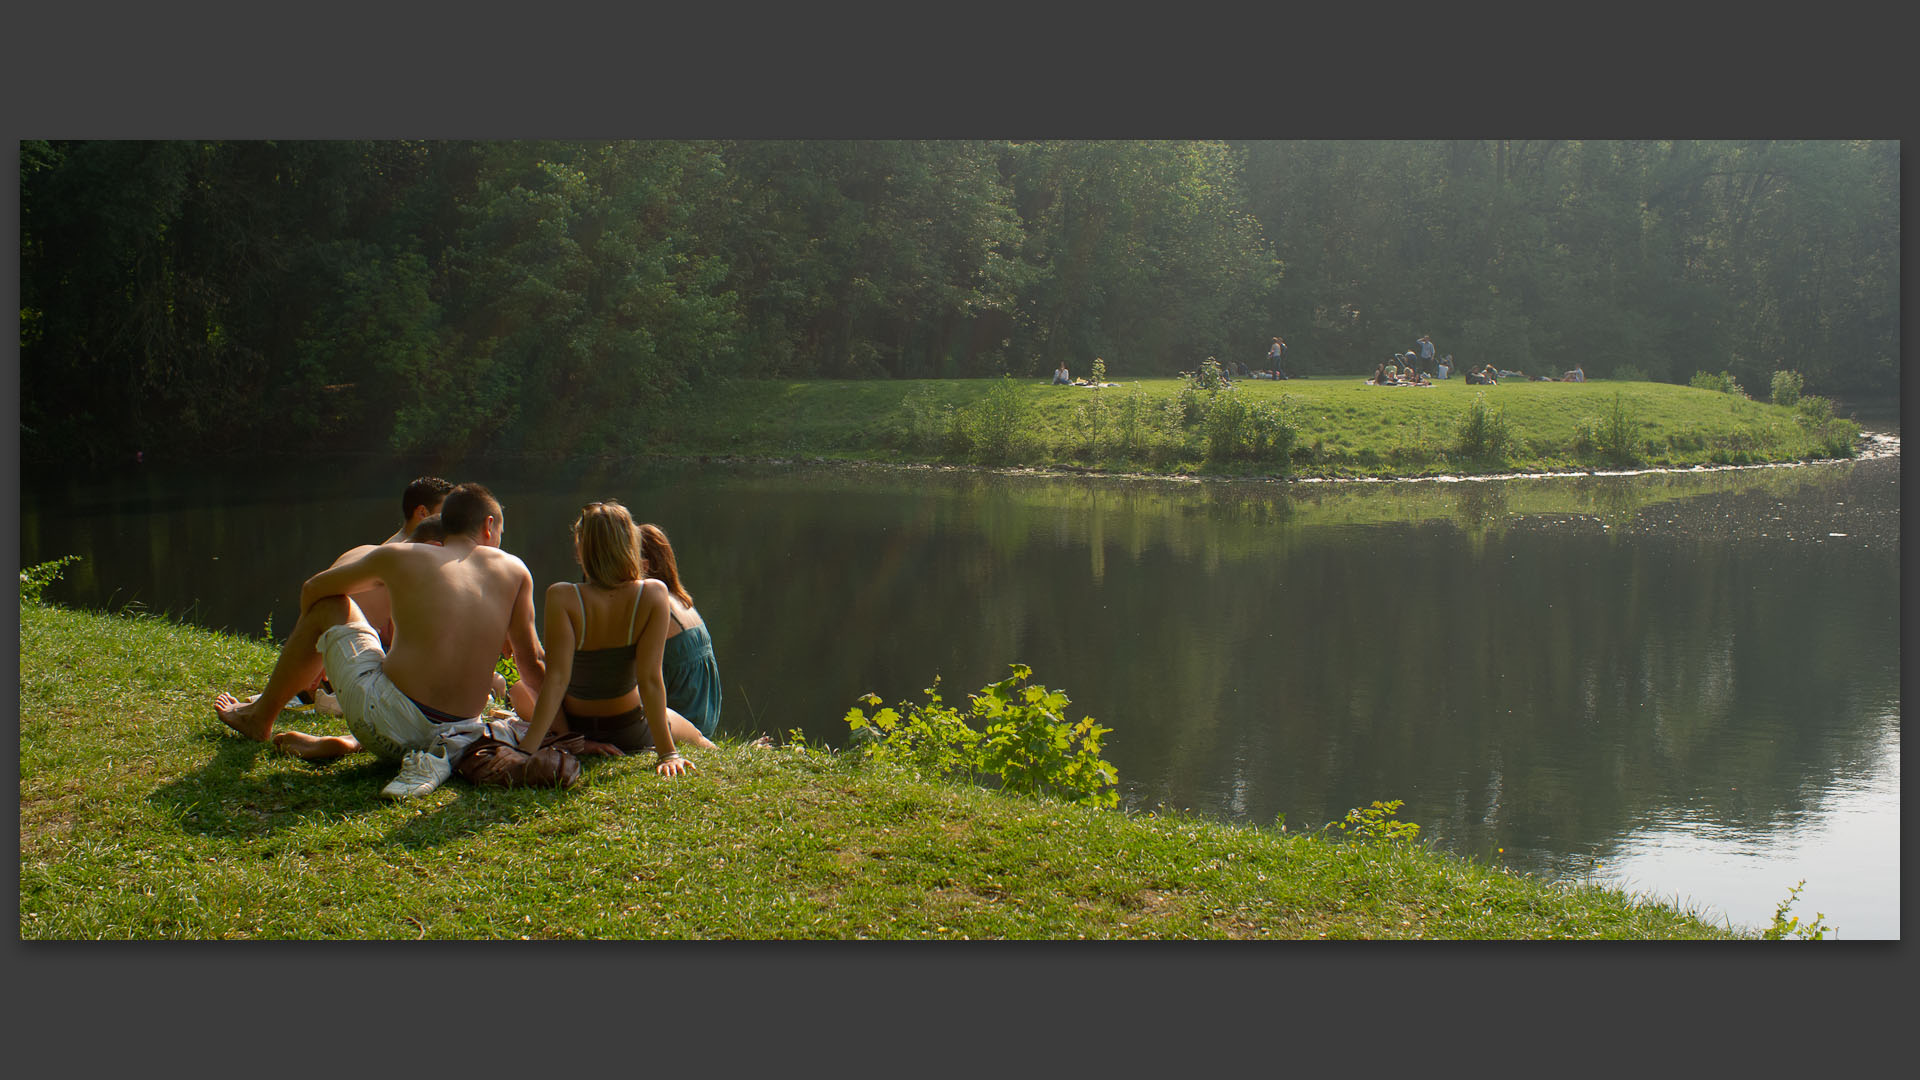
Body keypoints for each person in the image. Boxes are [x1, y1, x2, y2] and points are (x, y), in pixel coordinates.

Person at [212, 483, 546, 798]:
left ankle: (260, 719)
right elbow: (530, 663)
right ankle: (347, 742)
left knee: (330, 604)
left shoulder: (398, 555)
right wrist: (566, 726)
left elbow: (313, 590)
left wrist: (321, 651)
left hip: (386, 722)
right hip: (458, 736)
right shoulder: (512, 570)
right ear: (489, 526)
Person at [516, 501, 714, 777]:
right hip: (629, 729)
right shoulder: (652, 593)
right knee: (698, 737)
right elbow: (650, 680)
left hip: (578, 726)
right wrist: (668, 753)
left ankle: (577, 742)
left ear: (581, 551)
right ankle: (719, 752)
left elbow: (557, 680)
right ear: (629, 546)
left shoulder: (562, 596)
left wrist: (528, 748)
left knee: (517, 692)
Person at [638, 522, 724, 740]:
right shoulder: (681, 601)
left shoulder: (656, 606)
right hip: (704, 720)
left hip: (681, 722)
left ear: (645, 566)